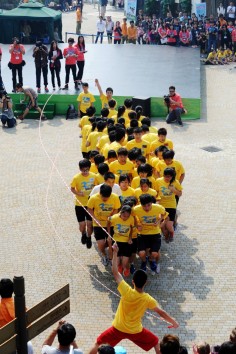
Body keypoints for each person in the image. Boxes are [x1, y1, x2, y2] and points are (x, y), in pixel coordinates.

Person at [88, 242, 179, 354]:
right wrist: (173, 322)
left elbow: (115, 272)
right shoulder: (148, 299)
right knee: (155, 342)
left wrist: (115, 253)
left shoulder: (126, 290)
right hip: (135, 331)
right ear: (145, 282)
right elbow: (161, 312)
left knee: (98, 344)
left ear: (132, 281)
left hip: (118, 328)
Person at [133, 194, 168, 274]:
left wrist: (159, 221)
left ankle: (151, 260)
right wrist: (137, 224)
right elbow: (132, 217)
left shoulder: (158, 207)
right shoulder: (135, 209)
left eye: (149, 205)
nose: (147, 208)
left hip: (155, 233)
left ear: (152, 203)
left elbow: (165, 215)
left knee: (155, 253)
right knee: (141, 253)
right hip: (142, 234)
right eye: (144, 206)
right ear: (140, 204)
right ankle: (144, 262)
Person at [87, 184, 121, 266]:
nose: (105, 199)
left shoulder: (115, 197)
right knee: (101, 244)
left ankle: (112, 258)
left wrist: (112, 217)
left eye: (107, 198)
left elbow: (116, 208)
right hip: (98, 224)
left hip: (111, 224)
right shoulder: (93, 198)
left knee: (112, 243)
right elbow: (89, 208)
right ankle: (103, 255)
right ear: (100, 193)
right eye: (103, 198)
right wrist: (95, 219)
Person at [0, 278, 34, 354]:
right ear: (13, 290)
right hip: (23, 343)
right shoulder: (20, 305)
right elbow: (29, 324)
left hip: (6, 346)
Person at [71, 158, 97, 248]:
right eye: (83, 170)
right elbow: (72, 188)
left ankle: (89, 237)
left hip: (90, 205)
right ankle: (83, 234)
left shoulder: (94, 176)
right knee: (82, 225)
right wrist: (78, 193)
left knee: (90, 225)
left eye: (87, 170)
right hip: (80, 205)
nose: (85, 172)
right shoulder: (76, 178)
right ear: (80, 169)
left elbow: (97, 187)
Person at [156, 168, 182, 242]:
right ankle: (166, 235)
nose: (167, 178)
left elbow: (180, 194)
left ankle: (171, 232)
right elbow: (156, 192)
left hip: (171, 205)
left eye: (169, 177)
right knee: (162, 225)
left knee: (169, 225)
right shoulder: (158, 181)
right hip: (161, 205)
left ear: (172, 176)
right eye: (166, 176)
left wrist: (174, 190)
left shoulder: (175, 182)